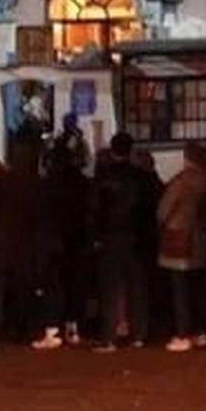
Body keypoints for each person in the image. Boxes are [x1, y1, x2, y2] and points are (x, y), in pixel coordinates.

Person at [88, 131, 150, 350]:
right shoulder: (140, 177)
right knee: (137, 285)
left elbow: (94, 209)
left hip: (111, 236)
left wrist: (96, 235)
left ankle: (110, 335)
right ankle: (139, 333)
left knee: (110, 288)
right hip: (135, 236)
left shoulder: (104, 178)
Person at [158, 142, 206, 351]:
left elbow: (164, 210)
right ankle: (203, 331)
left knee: (180, 289)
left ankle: (183, 333)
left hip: (179, 237)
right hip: (203, 237)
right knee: (200, 287)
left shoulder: (181, 181)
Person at [0, 134, 50, 344]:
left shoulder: (8, 182)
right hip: (27, 246)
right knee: (25, 288)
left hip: (11, 244)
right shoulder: (35, 183)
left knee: (12, 288)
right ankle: (24, 327)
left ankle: (12, 325)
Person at [40, 131, 89, 347]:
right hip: (77, 239)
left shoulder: (48, 185)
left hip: (53, 240)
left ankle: (52, 330)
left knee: (54, 285)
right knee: (74, 285)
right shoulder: (81, 182)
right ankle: (72, 328)